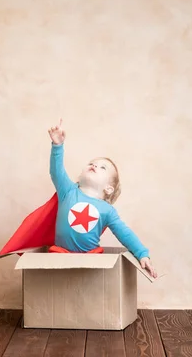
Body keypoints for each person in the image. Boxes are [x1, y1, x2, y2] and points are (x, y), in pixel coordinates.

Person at [47, 118, 157, 278]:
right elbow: (56, 171)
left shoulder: (108, 210)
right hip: (60, 253)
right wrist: (57, 146)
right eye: (92, 163)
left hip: (91, 257)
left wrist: (142, 254)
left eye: (102, 167)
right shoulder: (68, 191)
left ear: (108, 188)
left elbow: (124, 233)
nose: (95, 165)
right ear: (81, 174)